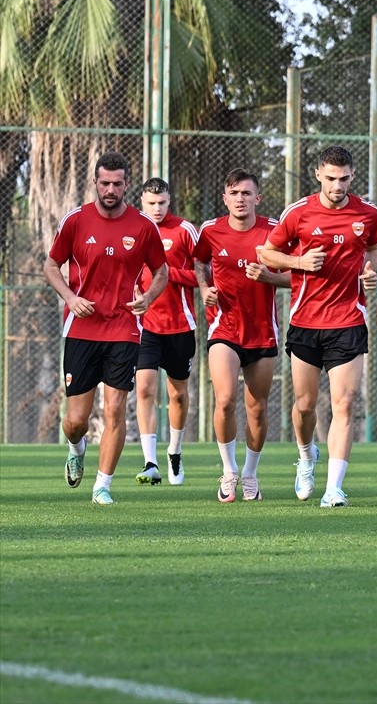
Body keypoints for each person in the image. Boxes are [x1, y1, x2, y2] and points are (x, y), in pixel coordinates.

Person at [257, 146, 377, 508]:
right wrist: (299, 261)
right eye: (331, 178)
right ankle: (307, 457)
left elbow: (373, 248)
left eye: (344, 178)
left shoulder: (367, 213)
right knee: (306, 405)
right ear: (318, 175)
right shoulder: (298, 213)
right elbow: (267, 253)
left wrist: (369, 271)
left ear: (352, 176)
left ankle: (334, 488)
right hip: (305, 321)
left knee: (344, 404)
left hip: (348, 321)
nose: (337, 185)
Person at [43, 152, 168, 505]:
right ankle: (76, 447)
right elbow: (51, 265)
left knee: (114, 410)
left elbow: (162, 271)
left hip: (123, 329)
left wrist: (149, 298)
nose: (110, 189)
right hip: (81, 330)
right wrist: (70, 296)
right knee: (76, 420)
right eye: (104, 183)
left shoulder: (143, 226)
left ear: (126, 184)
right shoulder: (76, 220)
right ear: (95, 183)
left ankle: (102, 486)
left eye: (117, 183)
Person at [194, 169, 291, 502]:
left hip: (263, 332)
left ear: (257, 199)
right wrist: (205, 288)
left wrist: (268, 276)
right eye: (234, 193)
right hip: (225, 328)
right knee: (224, 400)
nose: (240, 199)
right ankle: (229, 471)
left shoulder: (275, 231)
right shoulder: (210, 230)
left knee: (258, 408)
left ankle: (250, 473)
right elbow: (200, 263)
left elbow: (299, 275)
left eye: (246, 194)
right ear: (225, 198)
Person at [131, 178, 199, 487]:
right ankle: (150, 462)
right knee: (144, 389)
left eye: (161, 203)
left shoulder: (185, 230)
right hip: (145, 326)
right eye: (150, 203)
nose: (156, 209)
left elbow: (205, 275)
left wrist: (172, 275)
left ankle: (174, 451)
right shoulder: (132, 229)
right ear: (141, 203)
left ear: (169, 201)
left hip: (180, 326)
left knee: (177, 394)